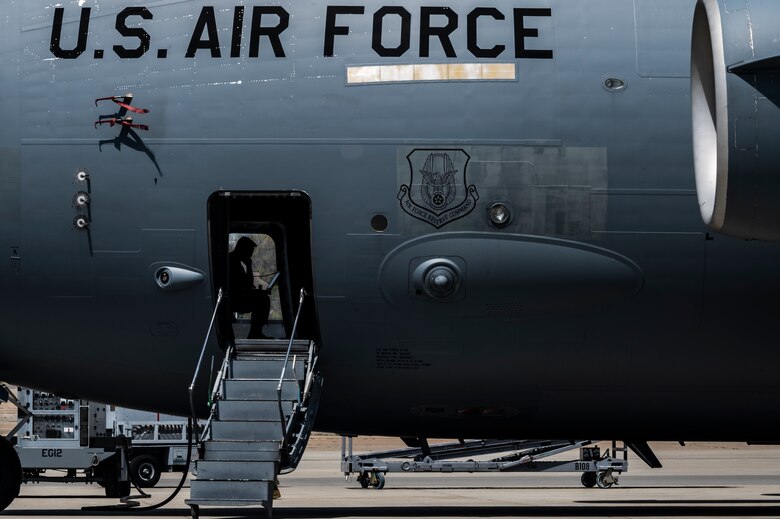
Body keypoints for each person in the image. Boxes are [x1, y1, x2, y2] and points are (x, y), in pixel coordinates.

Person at [228, 237, 271, 339]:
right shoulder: (232, 263)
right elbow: (247, 285)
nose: (251, 255)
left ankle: (255, 332)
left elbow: (247, 285)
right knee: (263, 299)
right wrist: (249, 266)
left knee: (262, 297)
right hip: (233, 299)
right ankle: (255, 333)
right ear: (243, 250)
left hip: (235, 297)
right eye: (250, 251)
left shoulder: (235, 261)